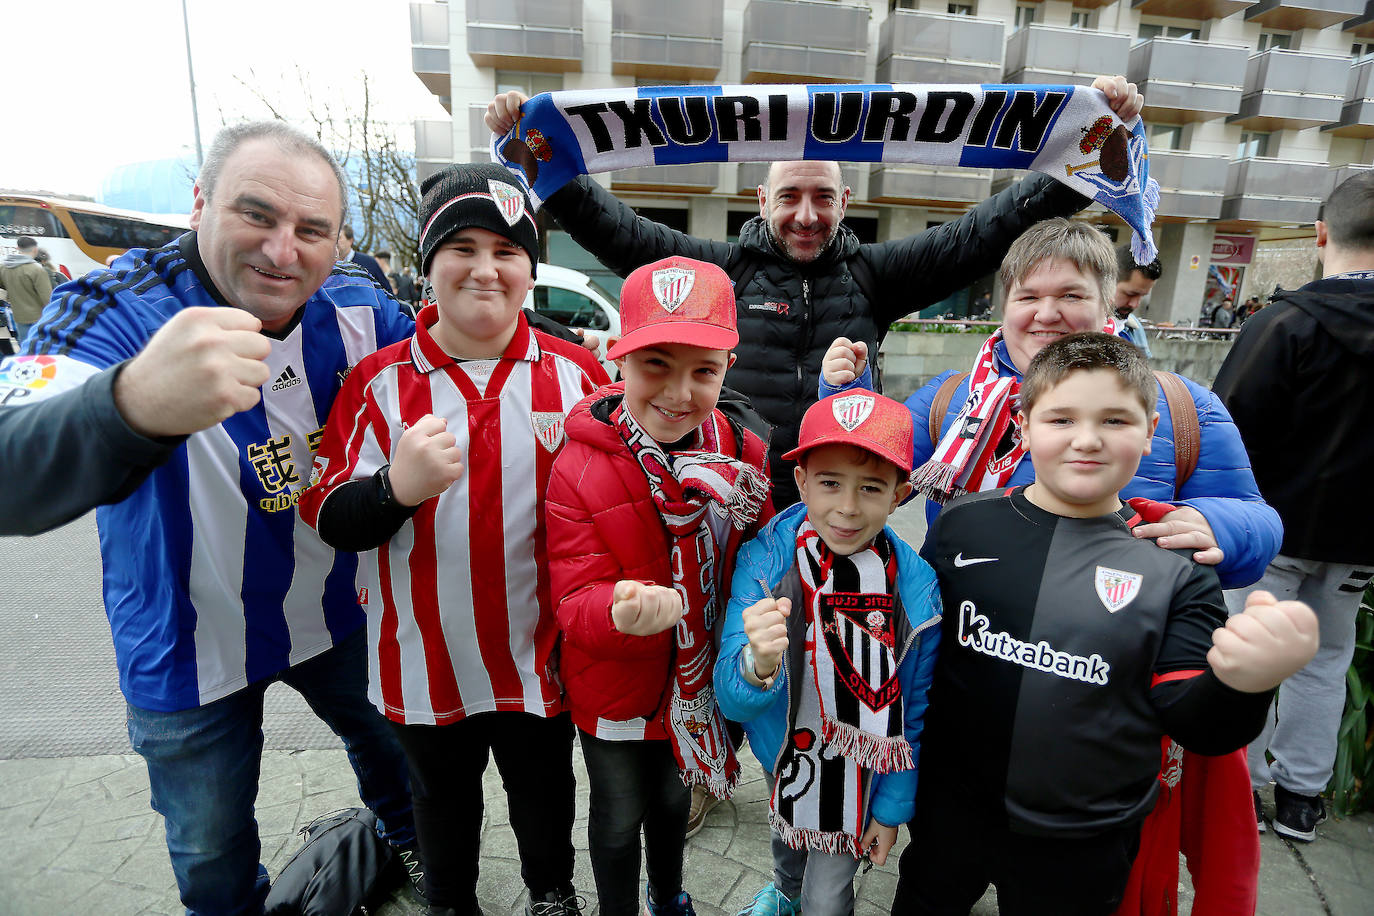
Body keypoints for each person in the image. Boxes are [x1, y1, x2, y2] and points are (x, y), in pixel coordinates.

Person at [10, 120, 425, 915]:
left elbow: (466, 360)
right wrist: (128, 402)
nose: (281, 251)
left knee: (398, 761)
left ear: (340, 242)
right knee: (211, 851)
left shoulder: (361, 308)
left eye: (312, 230)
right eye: (256, 214)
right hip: (182, 640)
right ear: (198, 204)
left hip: (337, 613)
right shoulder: (118, 308)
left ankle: (415, 855)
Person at [485, 76, 1144, 513]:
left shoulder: (875, 274)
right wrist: (538, 151)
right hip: (732, 501)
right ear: (762, 200)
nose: (806, 214)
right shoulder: (722, 272)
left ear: (846, 203)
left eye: (823, 197)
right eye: (790, 197)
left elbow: (985, 233)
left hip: (839, 505)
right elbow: (620, 235)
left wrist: (1081, 156)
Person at [898, 331, 1319, 915]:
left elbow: (1197, 725)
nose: (1087, 440)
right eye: (1061, 418)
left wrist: (1243, 682)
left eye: (1116, 420)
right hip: (948, 815)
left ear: (1150, 433)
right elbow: (919, 659)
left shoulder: (1177, 569)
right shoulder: (960, 527)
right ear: (1023, 427)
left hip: (1085, 841)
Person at [300, 162, 607, 916]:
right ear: (428, 264)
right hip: (423, 659)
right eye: (462, 246)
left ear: (531, 269)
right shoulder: (376, 384)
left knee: (545, 791)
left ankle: (552, 893)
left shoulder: (579, 376)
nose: (485, 268)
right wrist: (393, 490)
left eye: (508, 251)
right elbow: (327, 514)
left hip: (543, 655)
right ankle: (450, 902)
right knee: (440, 801)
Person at [821, 218, 1281, 591]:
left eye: (1070, 295)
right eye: (1028, 296)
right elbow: (863, 468)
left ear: (1107, 305)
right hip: (964, 642)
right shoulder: (952, 399)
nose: (1046, 314)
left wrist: (1215, 525)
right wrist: (845, 397)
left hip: (1107, 655)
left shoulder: (1184, 407)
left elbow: (1257, 519)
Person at [545, 256, 772, 916]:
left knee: (675, 800)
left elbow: (755, 556)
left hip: (695, 687)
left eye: (704, 370)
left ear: (728, 367)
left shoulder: (742, 452)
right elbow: (571, 597)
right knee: (617, 817)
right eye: (656, 365)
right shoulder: (579, 462)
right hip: (614, 683)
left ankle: (669, 896)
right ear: (619, 360)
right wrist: (619, 610)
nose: (679, 392)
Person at [715, 392, 941, 916]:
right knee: (789, 843)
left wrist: (890, 810)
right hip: (784, 751)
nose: (847, 507)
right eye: (830, 483)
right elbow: (733, 700)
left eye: (871, 488)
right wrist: (758, 664)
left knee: (828, 897)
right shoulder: (765, 561)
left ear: (900, 495)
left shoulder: (916, 590)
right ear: (801, 482)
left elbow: (915, 712)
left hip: (862, 773)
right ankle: (784, 892)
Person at [1213, 169, 1374, 843]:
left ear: (1321, 234)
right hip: (1361, 543)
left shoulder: (1283, 324)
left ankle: (1238, 789)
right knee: (1327, 661)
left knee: (1246, 651)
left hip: (1268, 529)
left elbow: (1226, 427)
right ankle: (1303, 798)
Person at [0, 306, 272, 535]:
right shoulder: (112, 308)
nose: (281, 254)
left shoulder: (315, 302)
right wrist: (132, 400)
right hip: (167, 595)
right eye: (263, 236)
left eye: (310, 237)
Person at [0, 235, 52, 343]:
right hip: (39, 317)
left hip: (18, 316)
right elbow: (47, 298)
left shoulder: (4, 268)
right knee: (39, 348)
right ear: (35, 250)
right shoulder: (37, 270)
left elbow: (4, 286)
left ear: (18, 249)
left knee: (25, 346)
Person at [1113, 246, 1160, 357]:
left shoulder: (1134, 328)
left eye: (1142, 296)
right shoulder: (1079, 324)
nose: (1135, 304)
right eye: (1130, 294)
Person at [338, 223, 394, 290]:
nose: (335, 241)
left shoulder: (369, 263)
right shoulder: (328, 264)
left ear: (350, 241)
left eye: (339, 238)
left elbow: (387, 292)